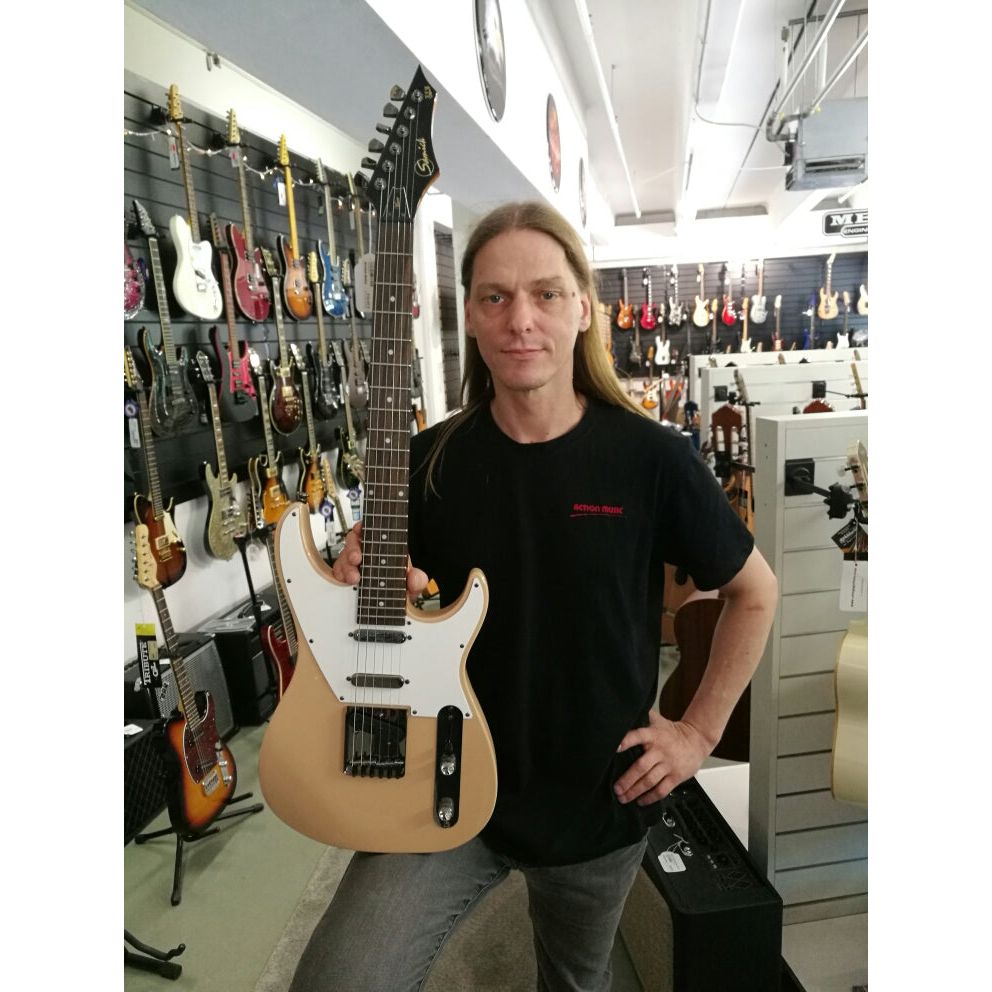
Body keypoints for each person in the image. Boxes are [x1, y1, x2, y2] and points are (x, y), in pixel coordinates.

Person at [288, 201, 778, 992]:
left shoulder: (652, 459)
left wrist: (696, 733)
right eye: (495, 297)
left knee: (575, 984)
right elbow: (373, 620)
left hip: (597, 802)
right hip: (441, 786)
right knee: (337, 982)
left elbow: (754, 593)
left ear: (582, 307)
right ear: (471, 317)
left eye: (545, 293)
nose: (521, 319)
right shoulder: (426, 462)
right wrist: (359, 581)